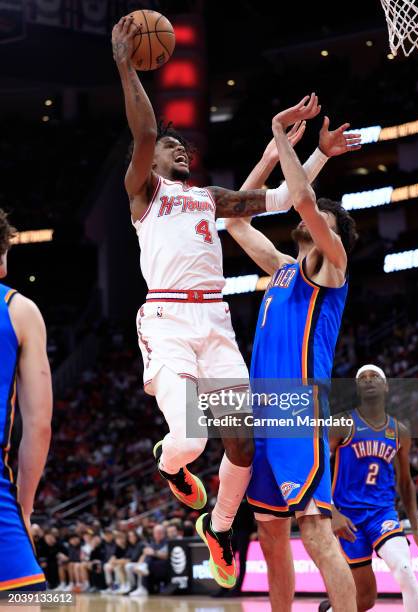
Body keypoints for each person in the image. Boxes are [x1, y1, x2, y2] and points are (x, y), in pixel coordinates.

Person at [111, 15, 324, 588]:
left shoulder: (209, 198)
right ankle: (169, 462)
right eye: (168, 146)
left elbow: (281, 197)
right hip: (169, 320)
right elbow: (147, 135)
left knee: (242, 441)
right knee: (191, 438)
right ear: (150, 162)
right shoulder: (145, 194)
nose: (177, 148)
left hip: (215, 320)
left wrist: (309, 151)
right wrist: (126, 64)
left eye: (182, 145)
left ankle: (220, 525)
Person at [225, 105, 361, 611]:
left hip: (296, 412)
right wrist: (275, 156)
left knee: (315, 529)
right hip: (262, 414)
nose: (311, 212)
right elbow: (235, 218)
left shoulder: (333, 270)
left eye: (322, 215)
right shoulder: (284, 269)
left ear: (331, 234)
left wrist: (283, 133)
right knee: (270, 536)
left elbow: (301, 198)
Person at [321, 364, 418, 612]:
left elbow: (405, 482)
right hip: (349, 519)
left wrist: (416, 529)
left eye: (375, 377)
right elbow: (319, 468)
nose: (369, 381)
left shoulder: (399, 431)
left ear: (386, 386)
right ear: (358, 388)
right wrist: (333, 512)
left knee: (403, 569)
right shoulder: (342, 424)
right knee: (365, 599)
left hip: (382, 514)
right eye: (363, 378)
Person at [0, 209, 52, 592]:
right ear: (2, 260)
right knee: (28, 600)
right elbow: (37, 425)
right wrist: (25, 508)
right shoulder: (18, 310)